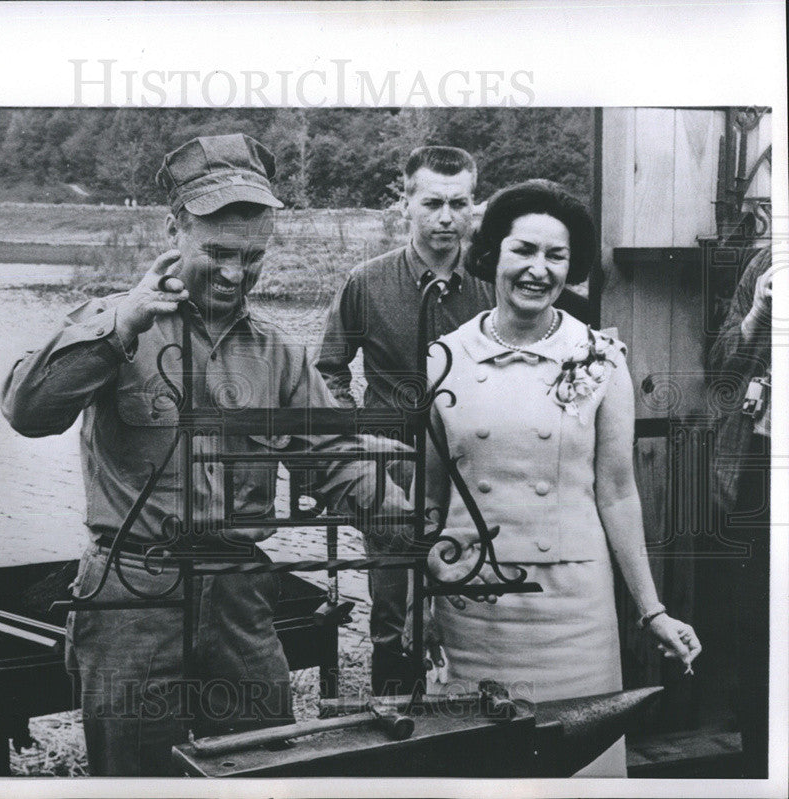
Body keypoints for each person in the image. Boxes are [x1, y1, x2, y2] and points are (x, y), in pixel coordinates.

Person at [0, 133, 409, 776]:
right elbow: (27, 412)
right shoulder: (115, 321)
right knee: (137, 775)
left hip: (238, 598)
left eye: (253, 256)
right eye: (217, 252)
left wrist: (414, 528)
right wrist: (118, 329)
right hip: (130, 598)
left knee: (265, 765)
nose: (235, 273)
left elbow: (337, 459)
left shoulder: (279, 353)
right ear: (175, 228)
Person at [421, 179, 702, 776]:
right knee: (481, 764)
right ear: (493, 251)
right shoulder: (444, 356)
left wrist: (652, 610)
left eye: (557, 256)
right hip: (475, 599)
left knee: (580, 768)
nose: (538, 270)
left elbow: (618, 492)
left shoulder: (598, 357)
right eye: (524, 250)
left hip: (572, 610)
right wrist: (419, 595)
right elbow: (431, 491)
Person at [315, 146, 496, 695]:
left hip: (475, 467)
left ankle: (468, 721)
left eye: (459, 203)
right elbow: (328, 369)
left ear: (474, 206)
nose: (446, 217)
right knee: (394, 613)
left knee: (476, 591)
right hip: (392, 472)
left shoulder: (496, 283)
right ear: (406, 203)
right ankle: (392, 723)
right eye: (433, 202)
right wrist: (357, 442)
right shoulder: (366, 282)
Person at [708, 245, 772, 777]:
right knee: (757, 623)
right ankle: (759, 761)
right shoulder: (767, 262)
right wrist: (758, 314)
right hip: (761, 467)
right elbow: (719, 371)